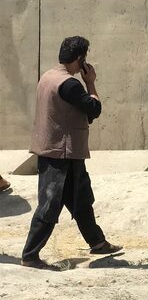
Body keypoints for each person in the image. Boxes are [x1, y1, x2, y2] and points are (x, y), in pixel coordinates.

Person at [21, 36, 122, 268]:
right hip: (61, 152)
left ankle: (97, 242)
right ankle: (30, 255)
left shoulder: (48, 76)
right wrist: (91, 83)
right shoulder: (70, 84)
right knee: (49, 205)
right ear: (80, 59)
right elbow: (94, 109)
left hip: (60, 150)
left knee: (81, 199)